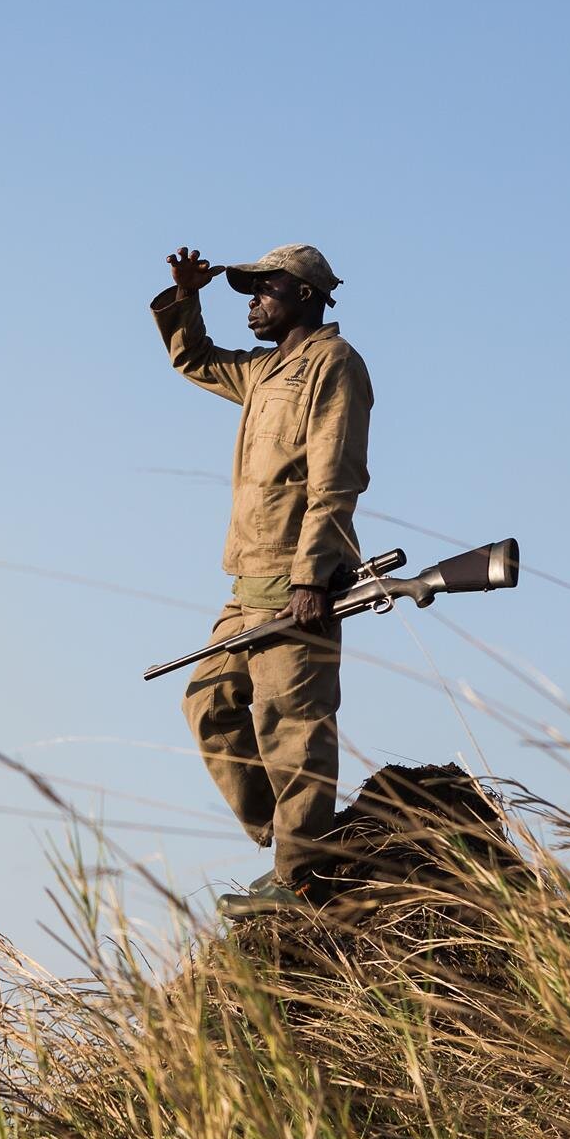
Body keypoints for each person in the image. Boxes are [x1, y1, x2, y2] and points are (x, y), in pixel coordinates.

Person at [150, 243, 372, 902]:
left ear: (302, 294)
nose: (252, 301)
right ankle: (288, 838)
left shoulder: (331, 364)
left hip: (292, 576)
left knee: (291, 726)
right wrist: (185, 298)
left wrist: (311, 578)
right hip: (244, 580)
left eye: (263, 289)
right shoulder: (267, 372)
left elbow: (336, 478)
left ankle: (301, 879)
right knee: (208, 703)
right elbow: (193, 358)